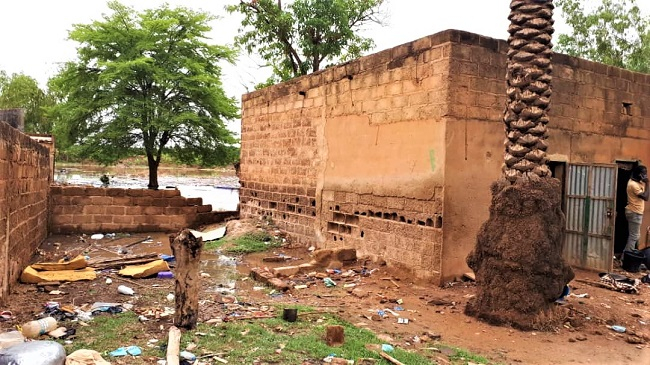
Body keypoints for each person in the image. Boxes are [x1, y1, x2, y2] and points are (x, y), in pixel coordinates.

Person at [625, 165, 649, 252]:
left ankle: (625, 255)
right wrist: (647, 183)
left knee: (635, 235)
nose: (646, 175)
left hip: (635, 211)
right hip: (634, 212)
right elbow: (646, 197)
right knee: (634, 236)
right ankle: (626, 257)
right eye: (644, 173)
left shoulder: (637, 182)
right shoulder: (633, 185)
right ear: (639, 174)